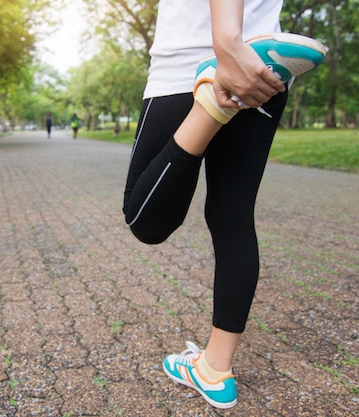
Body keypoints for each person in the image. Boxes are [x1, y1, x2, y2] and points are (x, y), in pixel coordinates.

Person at [122, 0, 326, 409]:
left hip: (198, 62)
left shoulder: (218, 49)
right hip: (266, 72)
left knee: (144, 219)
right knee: (232, 216)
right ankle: (214, 369)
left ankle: (214, 100)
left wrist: (227, 44)